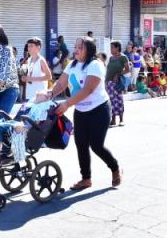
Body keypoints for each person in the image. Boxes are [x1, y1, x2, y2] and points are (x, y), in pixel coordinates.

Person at [50, 37, 122, 190]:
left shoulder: (95, 65)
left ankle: (115, 168)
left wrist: (67, 103)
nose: (76, 50)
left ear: (88, 50)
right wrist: (49, 94)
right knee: (81, 144)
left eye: (80, 47)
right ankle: (86, 179)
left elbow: (88, 90)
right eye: (75, 46)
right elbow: (61, 83)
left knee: (96, 145)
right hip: (81, 110)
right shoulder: (72, 65)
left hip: (99, 109)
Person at [105, 40, 130, 126]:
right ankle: (113, 119)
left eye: (112, 47)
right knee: (111, 101)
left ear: (117, 48)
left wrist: (118, 74)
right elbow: (108, 70)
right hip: (109, 82)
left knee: (119, 100)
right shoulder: (111, 58)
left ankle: (121, 119)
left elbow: (128, 69)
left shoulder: (123, 57)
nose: (111, 49)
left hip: (117, 82)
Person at [21, 37, 51, 103]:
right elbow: (30, 75)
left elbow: (49, 76)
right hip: (29, 93)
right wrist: (25, 78)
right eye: (28, 46)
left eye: (31, 46)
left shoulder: (41, 60)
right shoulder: (29, 60)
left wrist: (31, 79)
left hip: (40, 95)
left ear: (38, 47)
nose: (29, 48)